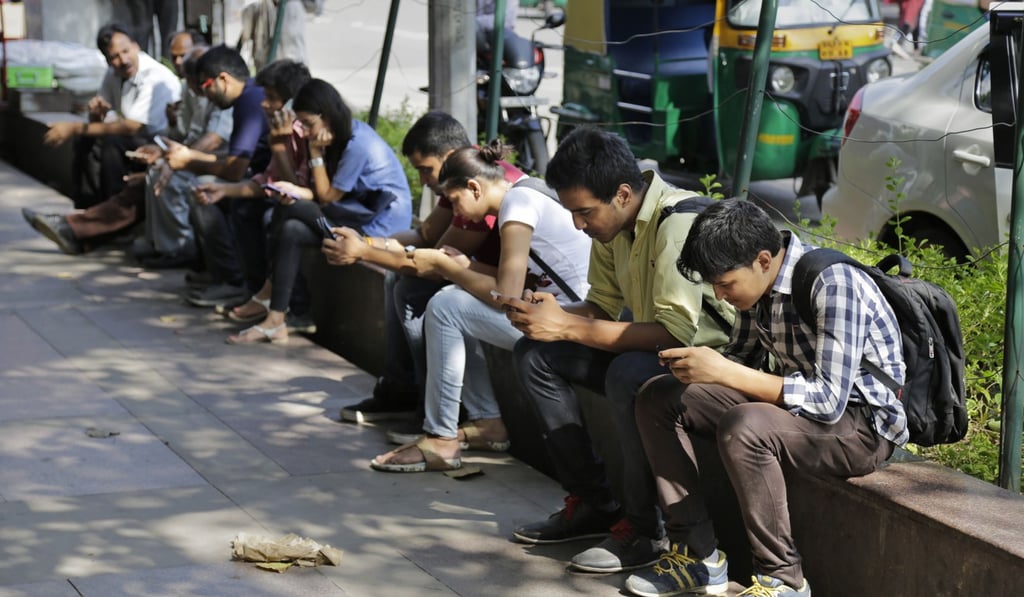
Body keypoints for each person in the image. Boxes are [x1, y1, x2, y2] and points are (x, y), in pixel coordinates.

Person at [622, 199, 908, 597]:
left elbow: (828, 401)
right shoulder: (757, 289)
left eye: (725, 284)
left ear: (762, 259)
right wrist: (697, 369)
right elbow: (739, 360)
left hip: (861, 428)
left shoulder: (833, 283)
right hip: (797, 412)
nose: (720, 297)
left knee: (746, 427)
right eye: (714, 286)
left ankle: (783, 581)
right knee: (659, 397)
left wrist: (725, 372)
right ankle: (697, 556)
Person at [500, 127, 734, 575]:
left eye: (584, 212)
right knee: (534, 353)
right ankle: (594, 503)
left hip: (709, 364)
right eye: (572, 213)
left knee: (627, 374)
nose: (578, 225)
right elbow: (602, 306)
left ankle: (646, 530)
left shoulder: (676, 223)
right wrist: (549, 315)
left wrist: (568, 325)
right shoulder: (613, 229)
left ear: (623, 194)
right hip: (655, 351)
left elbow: (674, 336)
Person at [368, 140, 591, 472]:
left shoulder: (516, 206)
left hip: (572, 325)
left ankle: (442, 439)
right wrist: (464, 268)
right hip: (567, 313)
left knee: (446, 305)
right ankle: (486, 424)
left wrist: (449, 268)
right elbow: (519, 281)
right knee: (457, 301)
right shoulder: (524, 192)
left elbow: (507, 296)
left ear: (474, 187)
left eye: (455, 201)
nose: (455, 213)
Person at [324, 112, 519, 432]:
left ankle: (439, 405)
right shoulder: (464, 178)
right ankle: (402, 389)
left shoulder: (480, 187)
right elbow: (427, 235)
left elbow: (433, 264)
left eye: (425, 169)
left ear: (450, 158)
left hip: (509, 290)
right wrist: (368, 241)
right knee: (396, 278)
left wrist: (363, 252)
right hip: (485, 278)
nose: (423, 180)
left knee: (412, 290)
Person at [220, 78, 413, 345]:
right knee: (291, 228)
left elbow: (325, 197)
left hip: (377, 230)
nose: (306, 132)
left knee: (291, 209)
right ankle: (276, 319)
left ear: (327, 117)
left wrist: (314, 151)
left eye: (309, 125)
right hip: (352, 218)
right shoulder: (339, 138)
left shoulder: (357, 144)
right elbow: (322, 196)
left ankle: (267, 291)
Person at [21, 37, 230, 259]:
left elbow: (210, 141)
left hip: (206, 164)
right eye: (175, 56)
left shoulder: (212, 91)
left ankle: (77, 229)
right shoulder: (190, 88)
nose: (178, 62)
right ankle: (81, 226)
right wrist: (168, 142)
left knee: (151, 176)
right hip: (170, 150)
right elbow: (184, 134)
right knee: (102, 148)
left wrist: (171, 160)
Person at [192, 59, 313, 325]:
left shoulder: (307, 131)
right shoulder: (282, 131)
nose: (264, 104)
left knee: (276, 219)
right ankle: (256, 290)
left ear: (291, 104)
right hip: (294, 199)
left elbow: (298, 188)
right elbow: (270, 179)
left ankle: (295, 308)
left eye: (271, 99)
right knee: (243, 207)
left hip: (323, 207)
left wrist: (280, 147)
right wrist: (224, 191)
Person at [170, 44, 273, 308]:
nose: (205, 95)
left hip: (272, 186)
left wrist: (190, 162)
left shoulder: (250, 102)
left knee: (204, 190)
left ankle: (232, 280)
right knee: (206, 188)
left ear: (223, 79)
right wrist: (188, 158)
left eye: (205, 87)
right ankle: (222, 273)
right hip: (260, 179)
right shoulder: (245, 100)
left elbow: (235, 169)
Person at [43, 22, 181, 209]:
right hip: (133, 138)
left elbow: (132, 126)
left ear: (136, 46)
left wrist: (74, 127)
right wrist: (95, 115)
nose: (123, 60)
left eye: (126, 51)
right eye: (114, 57)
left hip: (158, 141)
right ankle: (89, 207)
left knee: (112, 141)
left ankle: (115, 209)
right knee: (86, 141)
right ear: (107, 60)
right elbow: (103, 118)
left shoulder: (155, 76)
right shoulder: (113, 74)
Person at [238, 0, 308, 72]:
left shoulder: (292, 6)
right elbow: (246, 35)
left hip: (293, 64)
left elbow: (314, 6)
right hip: (266, 66)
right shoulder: (257, 8)